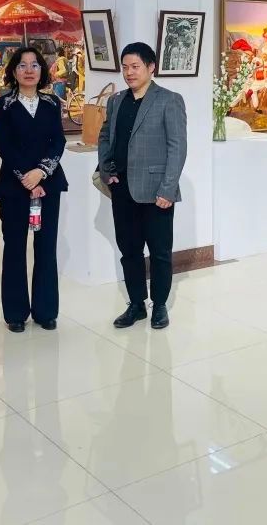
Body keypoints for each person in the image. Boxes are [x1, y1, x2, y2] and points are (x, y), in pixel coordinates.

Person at [98, 42, 188, 330]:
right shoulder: (116, 101)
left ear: (151, 68)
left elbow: (177, 148)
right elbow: (105, 136)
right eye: (125, 67)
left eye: (135, 66)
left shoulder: (169, 100)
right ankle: (136, 304)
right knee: (129, 250)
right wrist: (106, 169)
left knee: (160, 252)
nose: (129, 72)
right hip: (122, 189)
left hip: (156, 191)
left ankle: (159, 305)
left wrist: (167, 189)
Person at [0, 46, 68, 332]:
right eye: (22, 65)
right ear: (13, 71)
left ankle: (45, 311)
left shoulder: (52, 103)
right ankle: (15, 313)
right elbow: (5, 146)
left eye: (34, 65)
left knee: (46, 247)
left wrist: (41, 173)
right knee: (14, 248)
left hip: (48, 184)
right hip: (14, 186)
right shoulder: (2, 105)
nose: (28, 70)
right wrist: (27, 177)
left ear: (42, 70)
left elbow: (58, 142)